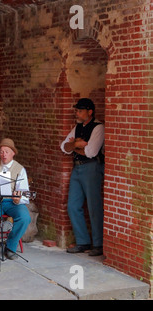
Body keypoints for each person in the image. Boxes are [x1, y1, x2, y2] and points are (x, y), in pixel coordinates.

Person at [60, 98, 105, 256]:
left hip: (92, 168)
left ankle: (98, 244)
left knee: (94, 207)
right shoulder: (77, 127)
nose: (77, 113)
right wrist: (77, 144)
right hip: (77, 168)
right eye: (76, 110)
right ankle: (83, 242)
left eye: (80, 110)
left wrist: (75, 146)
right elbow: (64, 147)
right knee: (73, 206)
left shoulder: (98, 127)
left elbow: (91, 152)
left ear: (90, 112)